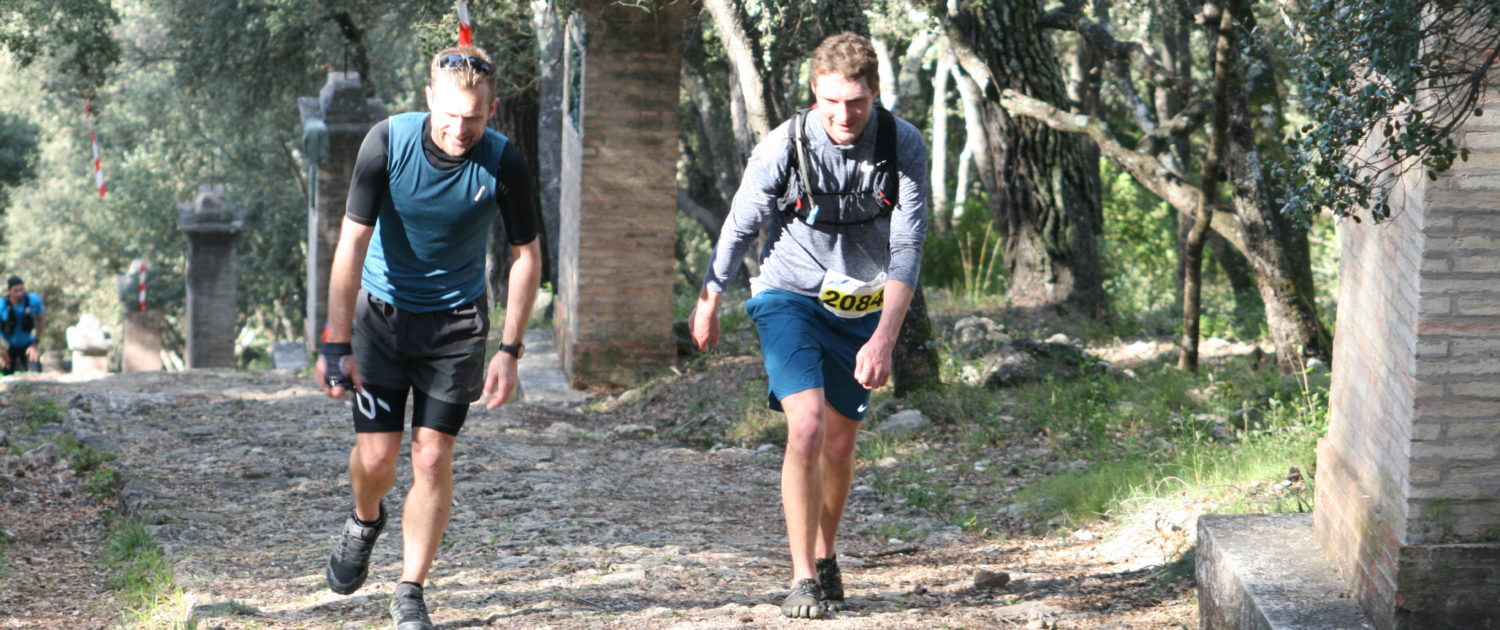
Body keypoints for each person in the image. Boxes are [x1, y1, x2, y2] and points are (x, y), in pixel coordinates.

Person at [689, 33, 929, 619]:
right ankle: (801, 577)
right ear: (813, 93)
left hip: (862, 304)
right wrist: (710, 297)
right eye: (831, 102)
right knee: (808, 426)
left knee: (841, 444)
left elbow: (907, 247)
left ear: (875, 93)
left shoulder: (901, 143)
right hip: (787, 294)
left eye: (857, 103)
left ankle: (825, 554)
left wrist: (884, 338)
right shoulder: (784, 144)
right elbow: (741, 224)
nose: (844, 116)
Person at [316, 44, 541, 630]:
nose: (460, 128)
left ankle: (410, 589)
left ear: (492, 109)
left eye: (474, 117)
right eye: (450, 114)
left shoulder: (503, 161)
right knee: (377, 456)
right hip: (379, 320)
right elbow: (352, 243)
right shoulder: (386, 143)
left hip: (456, 326)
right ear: (428, 99)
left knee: (433, 455)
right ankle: (365, 519)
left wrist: (510, 349)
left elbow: (526, 256)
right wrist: (335, 340)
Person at [0, 276, 45, 375]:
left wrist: (35, 343)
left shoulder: (33, 301)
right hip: (7, 346)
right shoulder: (2, 304)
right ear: (9, 291)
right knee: (6, 372)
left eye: (21, 290)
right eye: (16, 291)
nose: (20, 293)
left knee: (36, 372)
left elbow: (41, 320)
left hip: (27, 344)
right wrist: (1, 352)